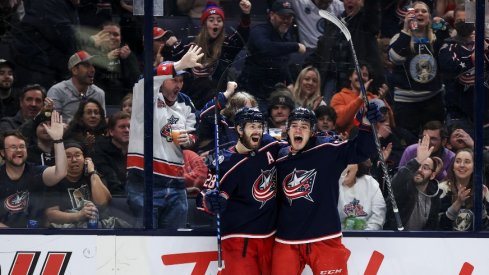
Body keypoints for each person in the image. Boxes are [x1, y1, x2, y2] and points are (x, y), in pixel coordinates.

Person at [271, 105, 380, 275]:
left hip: (325, 238)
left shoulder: (328, 150)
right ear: (288, 130)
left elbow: (362, 151)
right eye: (294, 126)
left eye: (304, 126)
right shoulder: (279, 156)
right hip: (287, 239)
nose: (298, 129)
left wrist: (365, 125)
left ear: (313, 131)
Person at [126, 45, 203, 229]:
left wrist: (188, 141)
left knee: (173, 243)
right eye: (173, 79)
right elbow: (146, 79)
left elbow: (194, 133)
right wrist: (178, 64)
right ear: (162, 81)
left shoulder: (185, 102)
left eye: (181, 80)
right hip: (145, 181)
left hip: (176, 184)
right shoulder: (144, 100)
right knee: (145, 245)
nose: (178, 84)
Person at [202, 107, 283, 275]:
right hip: (238, 239)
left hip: (271, 238)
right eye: (252, 126)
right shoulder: (224, 162)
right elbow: (202, 199)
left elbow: (297, 150)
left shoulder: (270, 145)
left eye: (260, 126)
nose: (257, 131)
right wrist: (209, 201)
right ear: (239, 129)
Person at [165, 0, 252, 109]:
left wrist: (246, 14)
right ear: (204, 24)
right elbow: (171, 61)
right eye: (211, 20)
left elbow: (241, 36)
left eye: (219, 20)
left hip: (218, 103)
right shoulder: (190, 46)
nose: (215, 23)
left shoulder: (226, 46)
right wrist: (169, 45)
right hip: (191, 102)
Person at [304, 0, 384, 104]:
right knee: (327, 114)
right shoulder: (333, 23)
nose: (350, 1)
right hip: (332, 81)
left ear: (363, 2)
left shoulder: (367, 22)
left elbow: (373, 9)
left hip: (355, 82)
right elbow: (321, 50)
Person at [388, 1, 448, 135]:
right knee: (408, 141)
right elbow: (395, 59)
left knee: (434, 139)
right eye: (416, 11)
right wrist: (406, 30)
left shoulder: (435, 38)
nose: (420, 13)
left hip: (433, 99)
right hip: (406, 103)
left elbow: (445, 61)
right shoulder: (399, 37)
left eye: (424, 11)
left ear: (429, 18)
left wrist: (444, 29)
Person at [0, 111, 67, 228]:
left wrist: (58, 140)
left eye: (22, 146)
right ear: (2, 153)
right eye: (13, 147)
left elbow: (60, 172)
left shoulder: (36, 172)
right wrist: (12, 235)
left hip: (37, 238)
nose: (19, 150)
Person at [238, 0, 306, 114]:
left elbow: (282, 62)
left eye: (289, 17)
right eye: (282, 16)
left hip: (271, 95)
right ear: (272, 15)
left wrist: (290, 83)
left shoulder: (286, 36)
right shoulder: (260, 31)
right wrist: (295, 46)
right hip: (251, 94)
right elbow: (267, 48)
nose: (286, 21)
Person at [438, 4, 489, 128]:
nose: (463, 23)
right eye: (459, 20)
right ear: (454, 22)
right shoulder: (448, 46)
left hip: (486, 110)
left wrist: (487, 49)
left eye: (466, 20)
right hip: (460, 114)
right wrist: (473, 58)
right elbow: (450, 67)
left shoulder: (485, 42)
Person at [44, 141, 112, 228]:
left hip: (95, 228)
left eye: (78, 155)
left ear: (85, 159)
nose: (74, 160)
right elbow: (51, 214)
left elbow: (102, 203)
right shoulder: (54, 180)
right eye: (68, 156)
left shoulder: (94, 177)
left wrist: (92, 172)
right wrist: (79, 215)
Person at [384, 134, 443, 230]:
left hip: (420, 242)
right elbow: (395, 183)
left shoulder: (434, 197)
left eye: (425, 168)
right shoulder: (403, 187)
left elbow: (432, 228)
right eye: (419, 166)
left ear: (432, 175)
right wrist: (417, 160)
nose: (419, 170)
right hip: (395, 239)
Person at [85, 22, 140, 105]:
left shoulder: (128, 55)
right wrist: (105, 59)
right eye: (107, 34)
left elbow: (136, 82)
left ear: (121, 38)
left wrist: (127, 60)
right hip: (95, 101)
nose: (111, 37)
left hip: (122, 104)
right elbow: (86, 77)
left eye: (116, 34)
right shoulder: (91, 53)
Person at [330, 65, 393, 134]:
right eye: (357, 73)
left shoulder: (375, 98)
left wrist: (381, 101)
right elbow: (339, 122)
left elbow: (391, 124)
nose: (361, 77)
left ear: (369, 79)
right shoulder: (339, 97)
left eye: (365, 75)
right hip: (348, 142)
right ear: (350, 77)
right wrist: (360, 98)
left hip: (372, 141)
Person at [47, 50, 106, 123]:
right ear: (75, 70)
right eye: (87, 66)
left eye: (92, 65)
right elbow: (52, 122)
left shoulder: (98, 93)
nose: (93, 70)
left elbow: (102, 121)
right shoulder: (57, 91)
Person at [438, 148, 489, 231]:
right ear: (453, 167)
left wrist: (480, 205)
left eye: (467, 162)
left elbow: (486, 228)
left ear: (474, 167)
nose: (462, 165)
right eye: (457, 161)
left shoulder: (483, 190)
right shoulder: (442, 189)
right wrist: (458, 202)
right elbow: (438, 225)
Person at [196, 83, 256, 153]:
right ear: (234, 109)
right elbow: (205, 113)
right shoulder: (221, 122)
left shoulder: (253, 128)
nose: (249, 113)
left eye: (251, 109)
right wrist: (228, 93)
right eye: (245, 109)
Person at [338, 159, 386, 230]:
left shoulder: (371, 183)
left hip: (367, 237)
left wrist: (365, 235)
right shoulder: (330, 185)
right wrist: (340, 179)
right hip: (337, 237)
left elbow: (378, 217)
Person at [92, 111, 130, 195]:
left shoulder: (139, 151)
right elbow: (111, 183)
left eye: (129, 127)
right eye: (122, 127)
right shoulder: (100, 152)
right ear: (111, 131)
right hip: (114, 198)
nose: (127, 130)